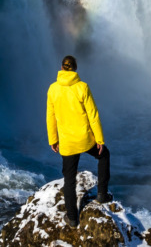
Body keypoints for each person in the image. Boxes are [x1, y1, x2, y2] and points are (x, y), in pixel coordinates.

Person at [47, 54, 111, 226]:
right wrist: (100, 140)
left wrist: (53, 140)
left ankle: (72, 218)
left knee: (69, 179)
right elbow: (93, 115)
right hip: (85, 139)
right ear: (75, 69)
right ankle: (102, 194)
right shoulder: (82, 87)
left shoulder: (52, 89)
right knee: (104, 156)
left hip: (67, 142)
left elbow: (50, 117)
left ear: (61, 68)